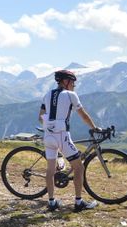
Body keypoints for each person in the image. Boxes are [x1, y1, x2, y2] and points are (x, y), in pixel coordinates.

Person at [38, 69, 100, 212]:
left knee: (50, 169)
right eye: (72, 82)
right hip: (62, 136)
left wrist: (50, 126)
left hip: (48, 136)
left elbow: (40, 117)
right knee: (79, 167)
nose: (74, 85)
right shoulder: (71, 95)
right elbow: (83, 116)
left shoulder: (47, 95)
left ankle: (52, 202)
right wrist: (94, 127)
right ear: (65, 81)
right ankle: (78, 202)